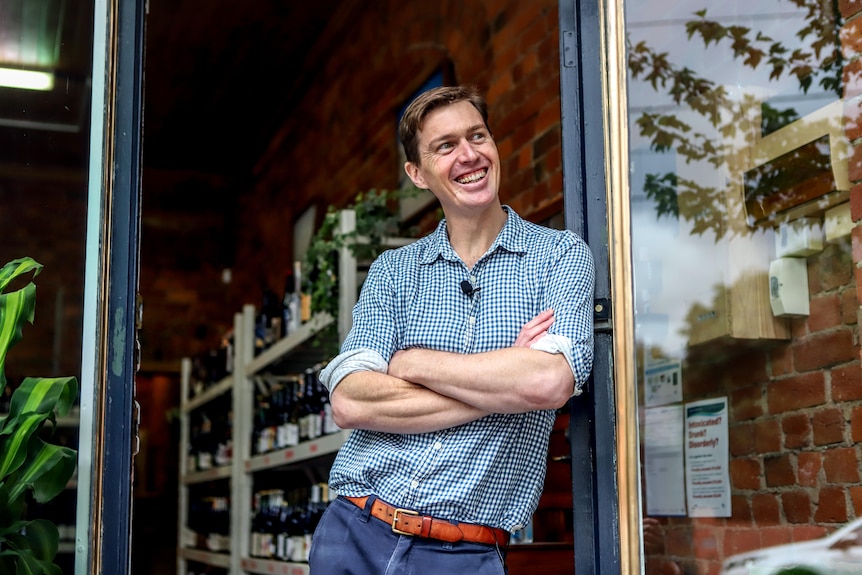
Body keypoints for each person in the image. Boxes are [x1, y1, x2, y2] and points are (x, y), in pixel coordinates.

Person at [308, 84, 595, 574]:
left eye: (477, 135)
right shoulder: (393, 272)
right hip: (353, 532)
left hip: (463, 553)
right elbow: (351, 401)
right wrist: (503, 380)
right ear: (417, 175)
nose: (469, 155)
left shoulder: (560, 256)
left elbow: (548, 382)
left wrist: (411, 362)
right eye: (445, 146)